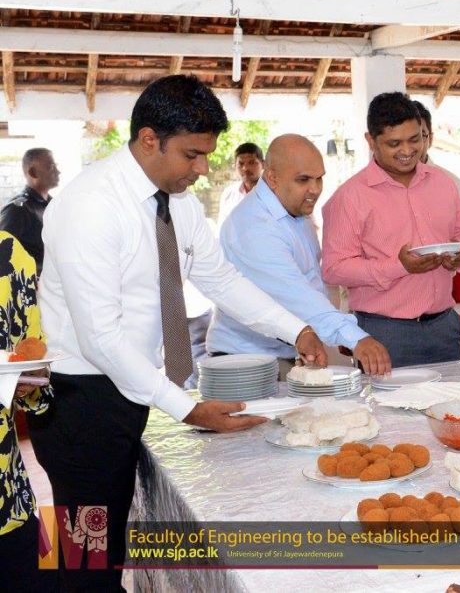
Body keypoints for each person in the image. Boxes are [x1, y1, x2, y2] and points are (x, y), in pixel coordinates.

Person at [29, 75, 328, 590]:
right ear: (150, 139)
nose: (202, 168)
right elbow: (100, 338)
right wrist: (187, 408)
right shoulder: (89, 204)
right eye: (192, 155)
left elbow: (221, 280)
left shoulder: (177, 201)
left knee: (110, 552)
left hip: (129, 387)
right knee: (84, 560)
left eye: (207, 155)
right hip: (80, 403)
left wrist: (294, 329)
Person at [208, 134, 392, 375]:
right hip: (246, 361)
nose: (315, 189)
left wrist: (335, 332)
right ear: (272, 177)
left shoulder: (295, 211)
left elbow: (312, 283)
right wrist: (354, 338)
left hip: (285, 353)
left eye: (319, 179)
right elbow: (296, 295)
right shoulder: (253, 225)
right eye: (303, 180)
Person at [321, 92, 460, 368]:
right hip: (384, 335)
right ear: (371, 141)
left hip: (443, 328)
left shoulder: (442, 182)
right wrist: (398, 266)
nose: (407, 151)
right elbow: (334, 269)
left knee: (450, 398)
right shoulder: (350, 197)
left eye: (415, 139)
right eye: (394, 143)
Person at [0, 231, 57, 591]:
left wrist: (28, 380)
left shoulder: (9, 255)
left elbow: (34, 366)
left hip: (8, 499)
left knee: (68, 562)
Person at [412, 100, 460, 230]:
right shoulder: (375, 187)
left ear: (431, 139)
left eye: (419, 136)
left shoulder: (455, 188)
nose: (409, 146)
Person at [0, 147, 61, 269]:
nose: (58, 172)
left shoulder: (53, 205)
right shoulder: (17, 210)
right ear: (33, 173)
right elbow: (4, 256)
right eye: (51, 167)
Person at [217, 141, 264, 227]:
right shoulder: (229, 195)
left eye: (251, 162)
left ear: (263, 164)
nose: (245, 168)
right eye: (241, 163)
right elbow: (222, 228)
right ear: (235, 166)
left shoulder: (274, 193)